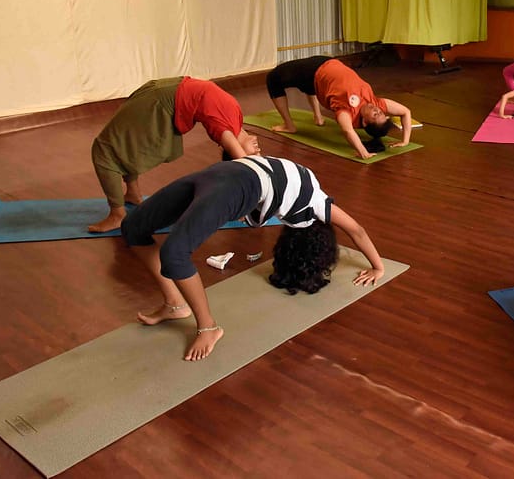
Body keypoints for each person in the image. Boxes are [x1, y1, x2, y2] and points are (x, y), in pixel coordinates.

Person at [120, 153, 386, 361]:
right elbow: (356, 230)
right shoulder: (317, 204)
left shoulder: (307, 194)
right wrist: (378, 267)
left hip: (223, 173)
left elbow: (355, 230)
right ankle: (186, 312)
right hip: (234, 180)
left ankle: (203, 323)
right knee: (140, 232)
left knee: (168, 249)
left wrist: (377, 266)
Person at [89, 76, 260, 233]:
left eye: (255, 155)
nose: (259, 151)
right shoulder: (235, 121)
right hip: (161, 93)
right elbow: (246, 166)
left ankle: (118, 214)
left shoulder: (222, 129)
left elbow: (245, 170)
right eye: (258, 154)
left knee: (105, 148)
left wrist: (245, 207)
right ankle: (131, 196)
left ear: (234, 151)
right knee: (122, 142)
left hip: (162, 100)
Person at [265, 56, 414, 160]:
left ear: (365, 123)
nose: (377, 110)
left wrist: (363, 152)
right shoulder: (375, 102)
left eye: (375, 115)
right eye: (380, 112)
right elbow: (405, 112)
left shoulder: (346, 112)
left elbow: (347, 130)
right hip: (329, 65)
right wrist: (405, 140)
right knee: (313, 86)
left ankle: (289, 125)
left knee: (273, 78)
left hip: (315, 71)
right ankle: (318, 117)